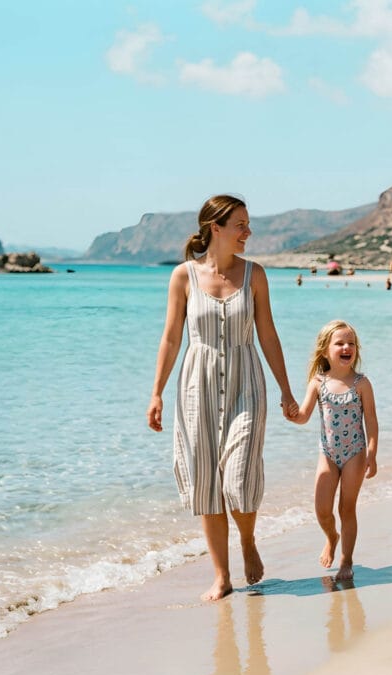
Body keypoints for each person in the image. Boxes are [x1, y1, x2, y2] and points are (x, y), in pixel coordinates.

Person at [147, 194, 299, 602]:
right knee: (206, 484)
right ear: (216, 228)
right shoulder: (183, 276)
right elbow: (171, 337)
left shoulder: (255, 275)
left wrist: (286, 389)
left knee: (239, 477)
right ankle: (221, 575)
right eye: (241, 225)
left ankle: (247, 540)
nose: (248, 233)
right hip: (195, 386)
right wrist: (156, 392)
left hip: (246, 383)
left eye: (248, 225)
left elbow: (268, 335)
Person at [290, 320, 378, 582]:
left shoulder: (361, 383)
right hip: (328, 453)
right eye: (339, 343)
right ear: (325, 350)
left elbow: (371, 421)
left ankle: (346, 561)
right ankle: (331, 537)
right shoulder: (318, 382)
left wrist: (371, 453)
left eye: (351, 343)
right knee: (322, 509)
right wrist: (291, 414)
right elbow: (304, 415)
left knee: (346, 508)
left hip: (355, 452)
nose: (346, 347)